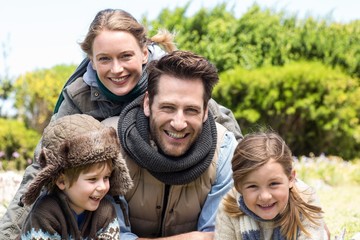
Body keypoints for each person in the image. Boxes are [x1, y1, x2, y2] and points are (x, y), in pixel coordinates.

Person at [0, 9, 242, 239]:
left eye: (126, 56)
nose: (117, 69)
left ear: (145, 52)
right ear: (91, 61)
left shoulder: (170, 83)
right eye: (105, 59)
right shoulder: (79, 99)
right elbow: (41, 169)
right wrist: (7, 235)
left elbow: (225, 133)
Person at [101, 50, 238, 239]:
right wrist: (191, 238)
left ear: (206, 111)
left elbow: (218, 235)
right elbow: (110, 236)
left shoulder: (224, 148)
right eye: (168, 107)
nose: (179, 123)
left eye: (191, 110)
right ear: (148, 103)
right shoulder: (110, 141)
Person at [19, 114, 133, 239]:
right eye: (92, 179)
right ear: (61, 181)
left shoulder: (105, 212)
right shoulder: (45, 215)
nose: (102, 187)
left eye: (106, 177)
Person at [214, 132, 326, 240]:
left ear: (291, 178)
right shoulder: (229, 206)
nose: (265, 196)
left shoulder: (306, 201)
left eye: (274, 184)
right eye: (253, 186)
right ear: (239, 187)